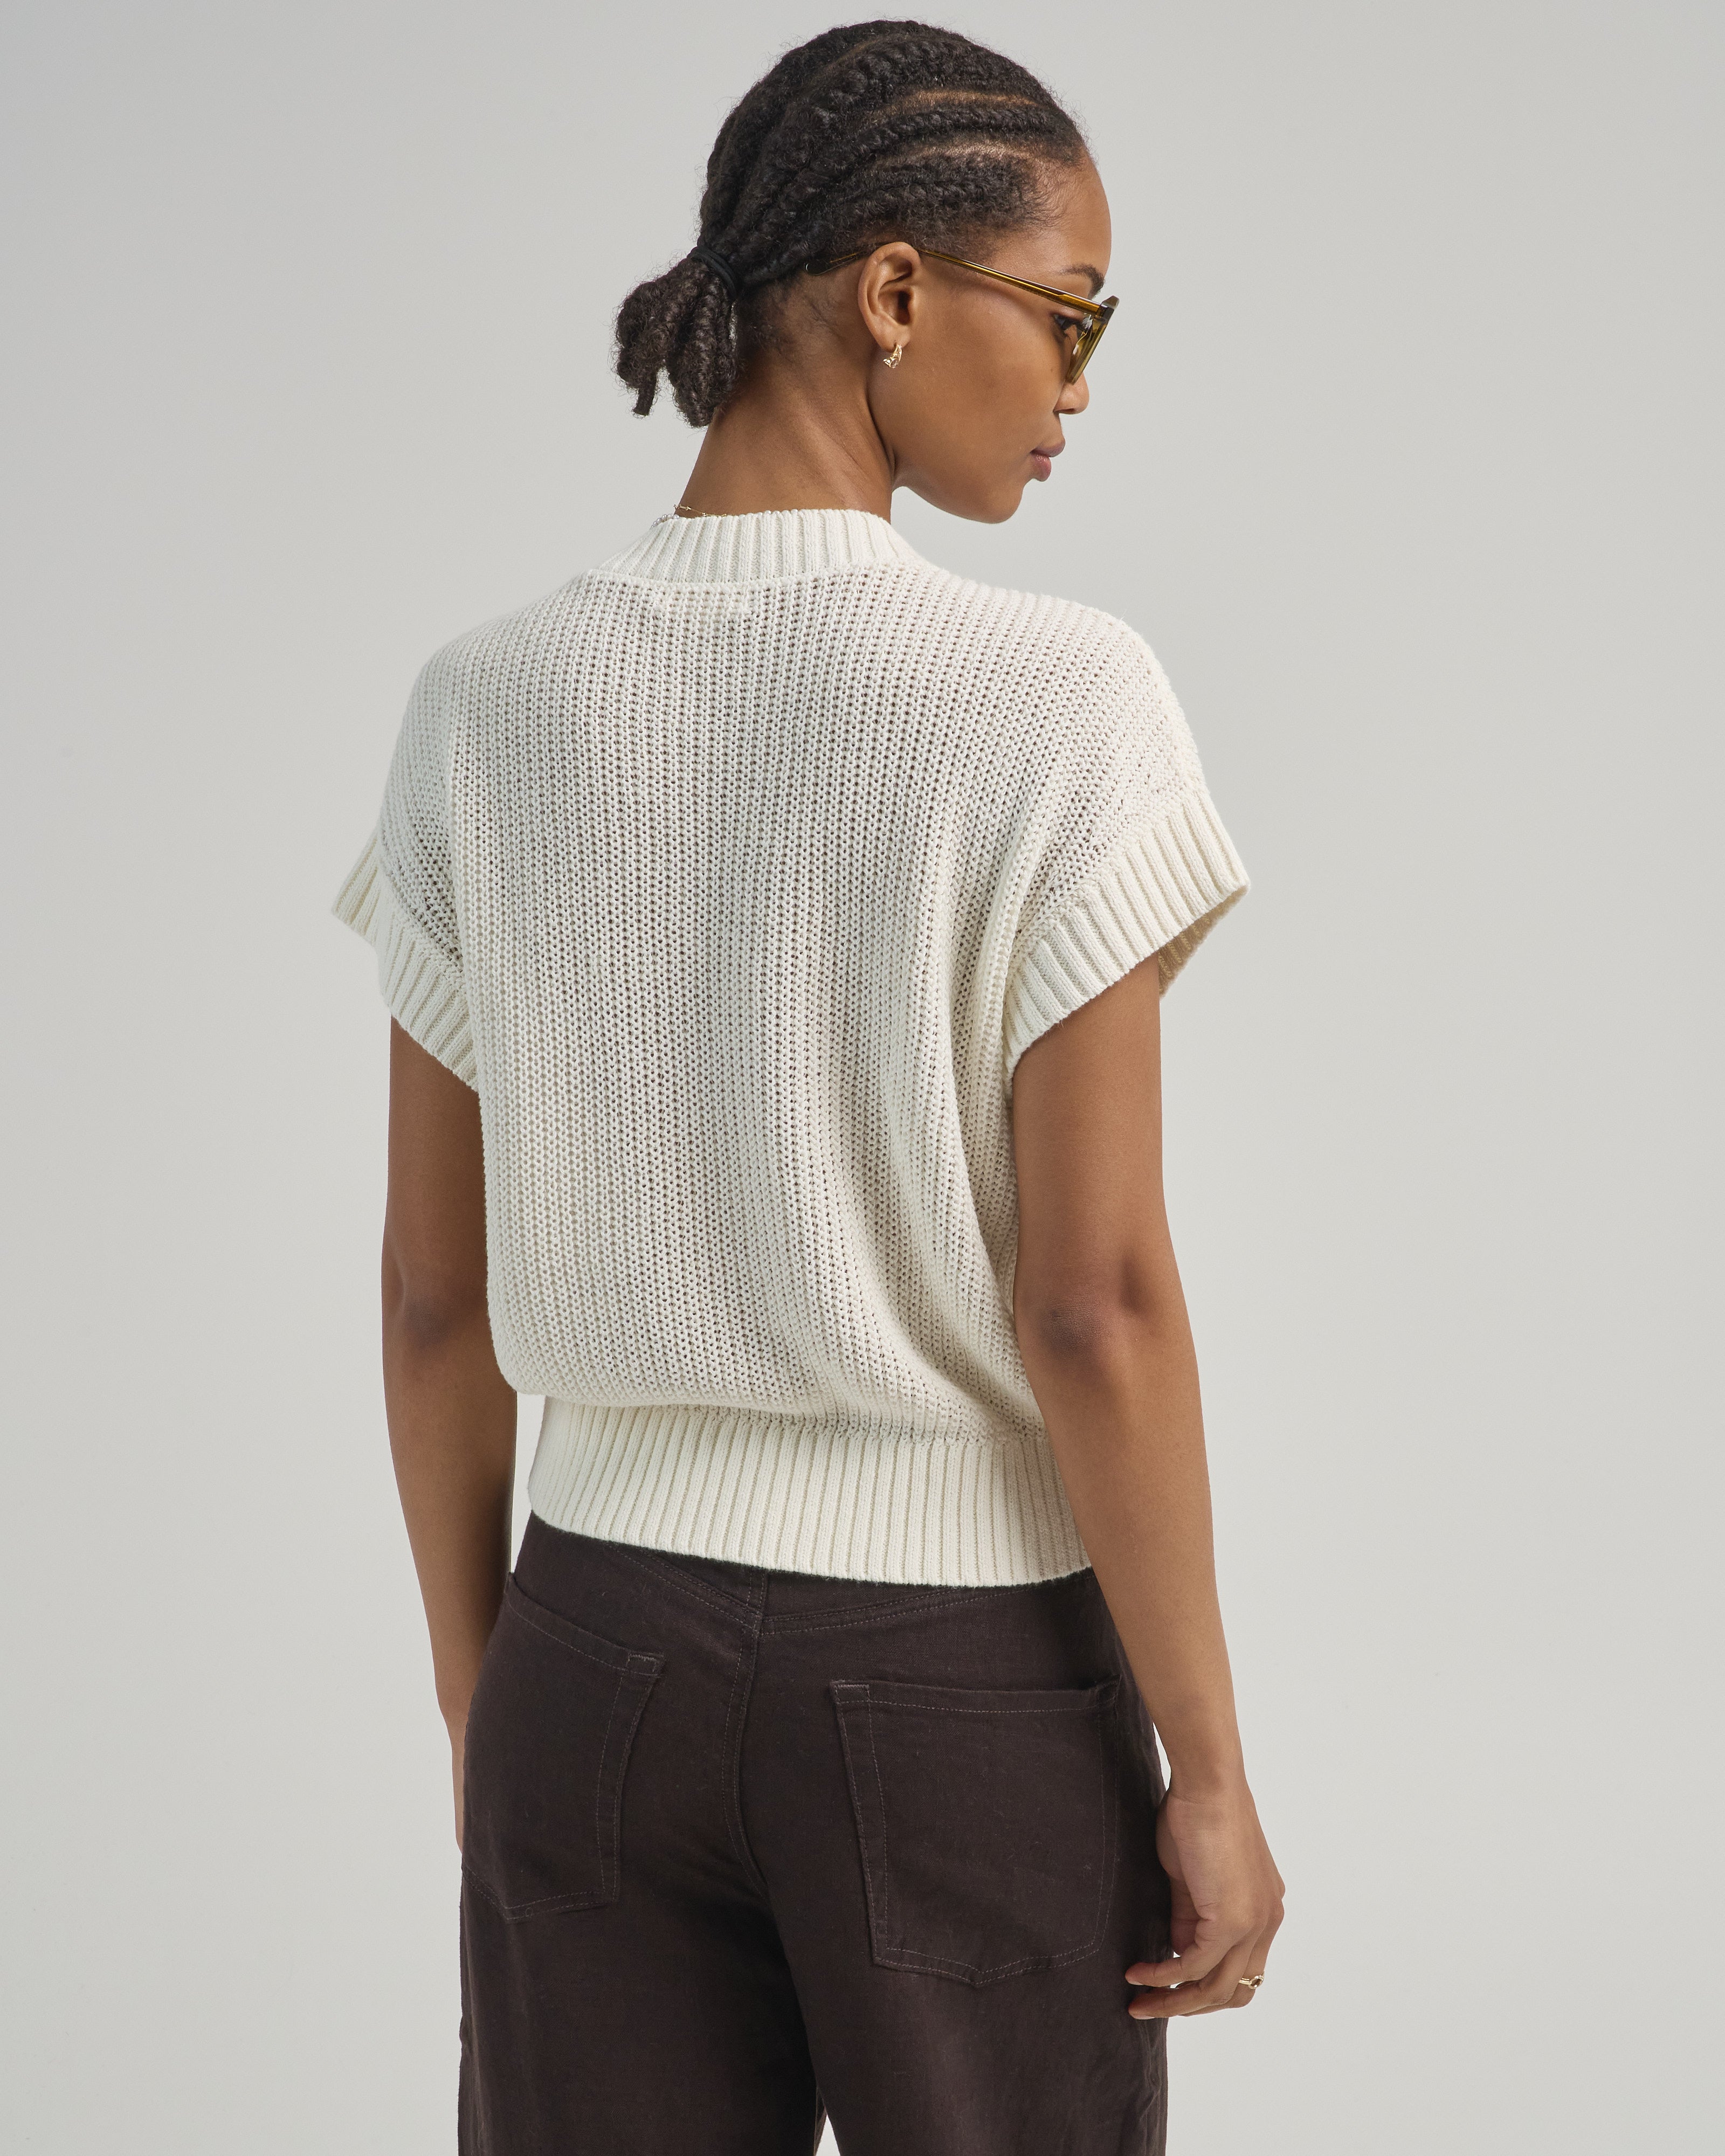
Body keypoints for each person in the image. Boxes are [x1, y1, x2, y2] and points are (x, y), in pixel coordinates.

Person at [333, 19, 1283, 2153]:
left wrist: (491, 1699)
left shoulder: (483, 705)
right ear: (892, 291)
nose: (1079, 384)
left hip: (587, 1654)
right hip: (960, 1689)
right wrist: (1208, 1769)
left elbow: (430, 1298)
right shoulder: (1062, 700)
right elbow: (1094, 1301)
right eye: (1068, 313)